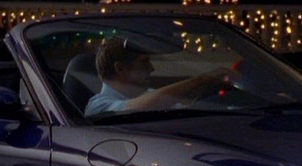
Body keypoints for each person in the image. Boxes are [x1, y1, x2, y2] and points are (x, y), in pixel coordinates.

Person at [84, 37, 233, 117]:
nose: (151, 68)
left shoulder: (149, 95)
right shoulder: (98, 106)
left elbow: (187, 112)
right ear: (120, 68)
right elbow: (132, 109)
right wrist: (202, 80)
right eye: (144, 62)